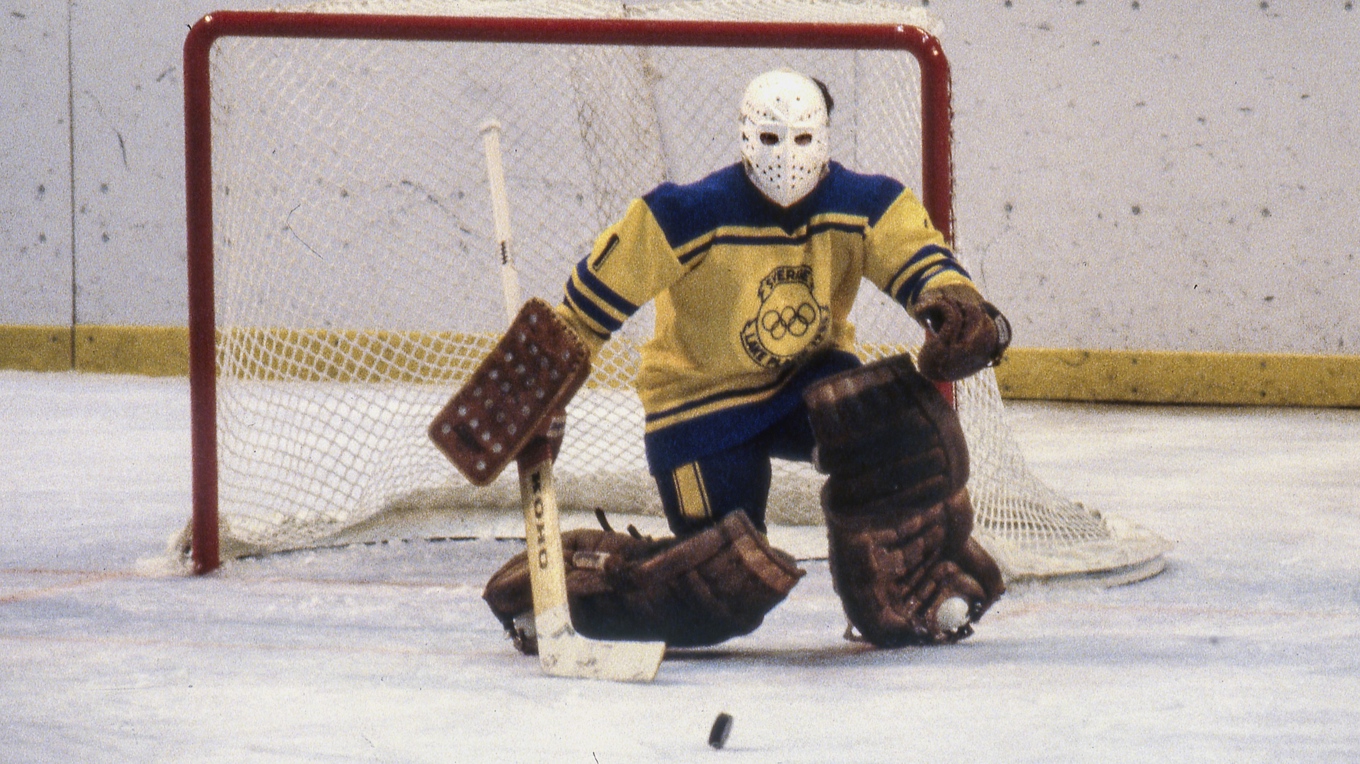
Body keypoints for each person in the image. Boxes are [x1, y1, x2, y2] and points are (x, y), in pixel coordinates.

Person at [480, 69, 1009, 651]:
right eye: (772, 139)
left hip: (805, 383)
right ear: (744, 136)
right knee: (718, 585)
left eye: (804, 139)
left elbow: (921, 257)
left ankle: (905, 591)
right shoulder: (684, 213)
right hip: (697, 407)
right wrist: (532, 393)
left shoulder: (867, 203)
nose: (788, 157)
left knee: (899, 431)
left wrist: (957, 306)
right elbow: (584, 310)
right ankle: (555, 586)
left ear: (826, 137)